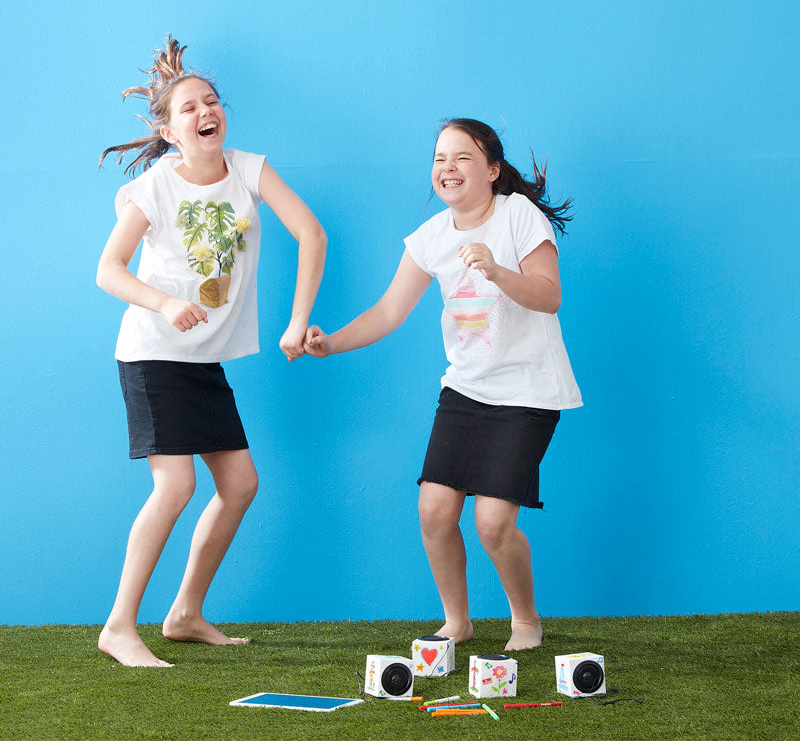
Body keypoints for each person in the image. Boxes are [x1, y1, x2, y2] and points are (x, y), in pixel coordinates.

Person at [304, 118, 581, 651]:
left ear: (493, 170)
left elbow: (550, 296)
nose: (448, 168)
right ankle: (457, 622)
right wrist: (330, 343)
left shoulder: (517, 216)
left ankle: (525, 621)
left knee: (493, 524)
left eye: (462, 158)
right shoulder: (430, 238)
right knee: (433, 510)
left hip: (527, 391)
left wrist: (497, 271)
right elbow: (388, 311)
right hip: (466, 389)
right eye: (439, 159)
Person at [96, 36, 326, 667]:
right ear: (169, 132)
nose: (206, 111)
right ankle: (119, 626)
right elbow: (108, 271)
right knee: (176, 484)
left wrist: (297, 321)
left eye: (212, 101)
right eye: (190, 107)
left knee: (240, 483)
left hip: (202, 360)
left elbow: (311, 234)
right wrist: (165, 303)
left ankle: (185, 614)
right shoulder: (156, 188)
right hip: (152, 354)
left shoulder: (249, 170)